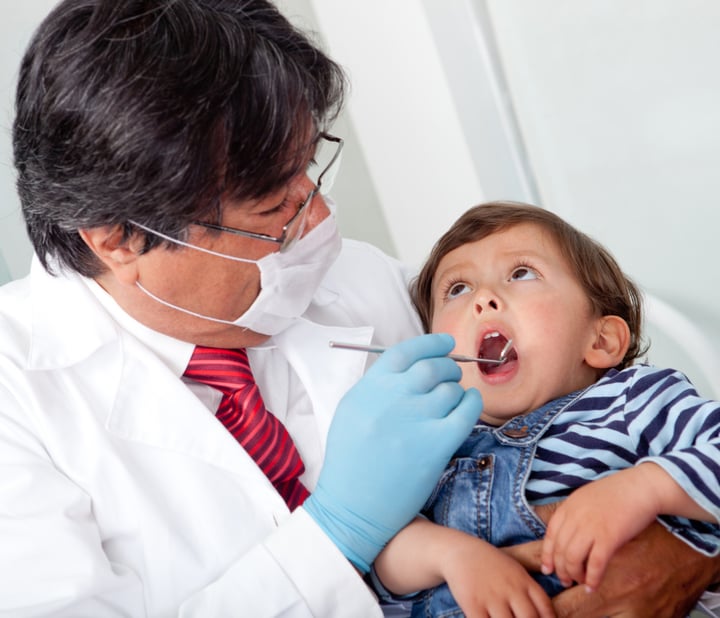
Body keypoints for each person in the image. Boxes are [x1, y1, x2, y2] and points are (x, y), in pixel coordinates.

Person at [0, 1, 717, 615]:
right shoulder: (19, 400)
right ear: (119, 238)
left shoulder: (359, 281)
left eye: (308, 170)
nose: (316, 219)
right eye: (273, 209)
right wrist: (338, 533)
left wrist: (686, 554)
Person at [372, 201, 720, 617]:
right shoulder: (431, 441)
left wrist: (643, 488)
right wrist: (452, 555)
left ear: (602, 341)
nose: (483, 298)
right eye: (458, 289)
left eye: (521, 273)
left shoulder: (634, 400)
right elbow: (383, 552)